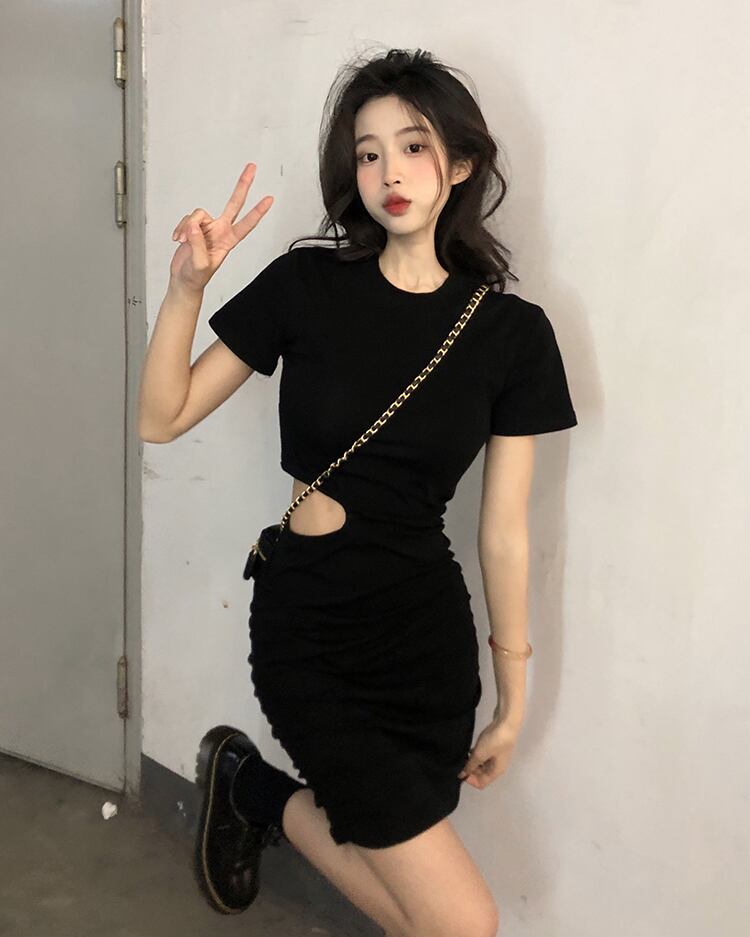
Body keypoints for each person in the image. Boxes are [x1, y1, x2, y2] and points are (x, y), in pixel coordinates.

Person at [138, 47, 578, 937]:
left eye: (413, 147)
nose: (388, 173)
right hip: (312, 627)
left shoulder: (514, 335)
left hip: (424, 640)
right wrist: (186, 288)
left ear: (461, 163)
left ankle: (251, 789)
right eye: (368, 154)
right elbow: (162, 415)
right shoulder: (308, 284)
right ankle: (259, 788)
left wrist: (512, 696)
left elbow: (504, 532)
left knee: (425, 918)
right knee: (462, 923)